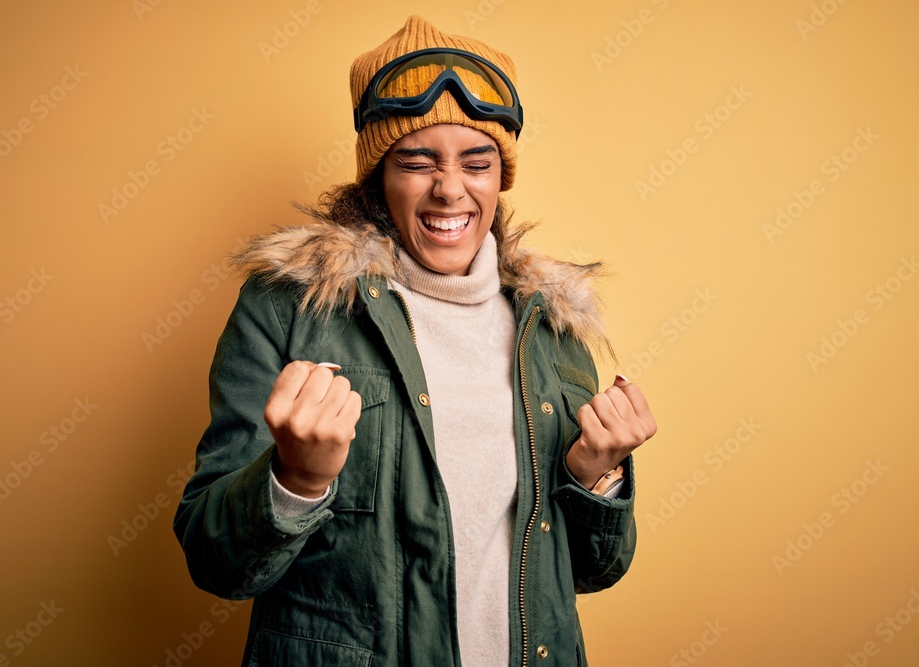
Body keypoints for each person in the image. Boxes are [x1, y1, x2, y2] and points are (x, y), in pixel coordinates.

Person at [174, 15, 657, 666]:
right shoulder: (286, 308)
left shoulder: (553, 328)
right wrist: (296, 477)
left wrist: (593, 478)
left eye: (477, 162)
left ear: (499, 176)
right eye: (417, 160)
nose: (450, 188)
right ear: (377, 174)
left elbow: (592, 572)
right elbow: (217, 563)